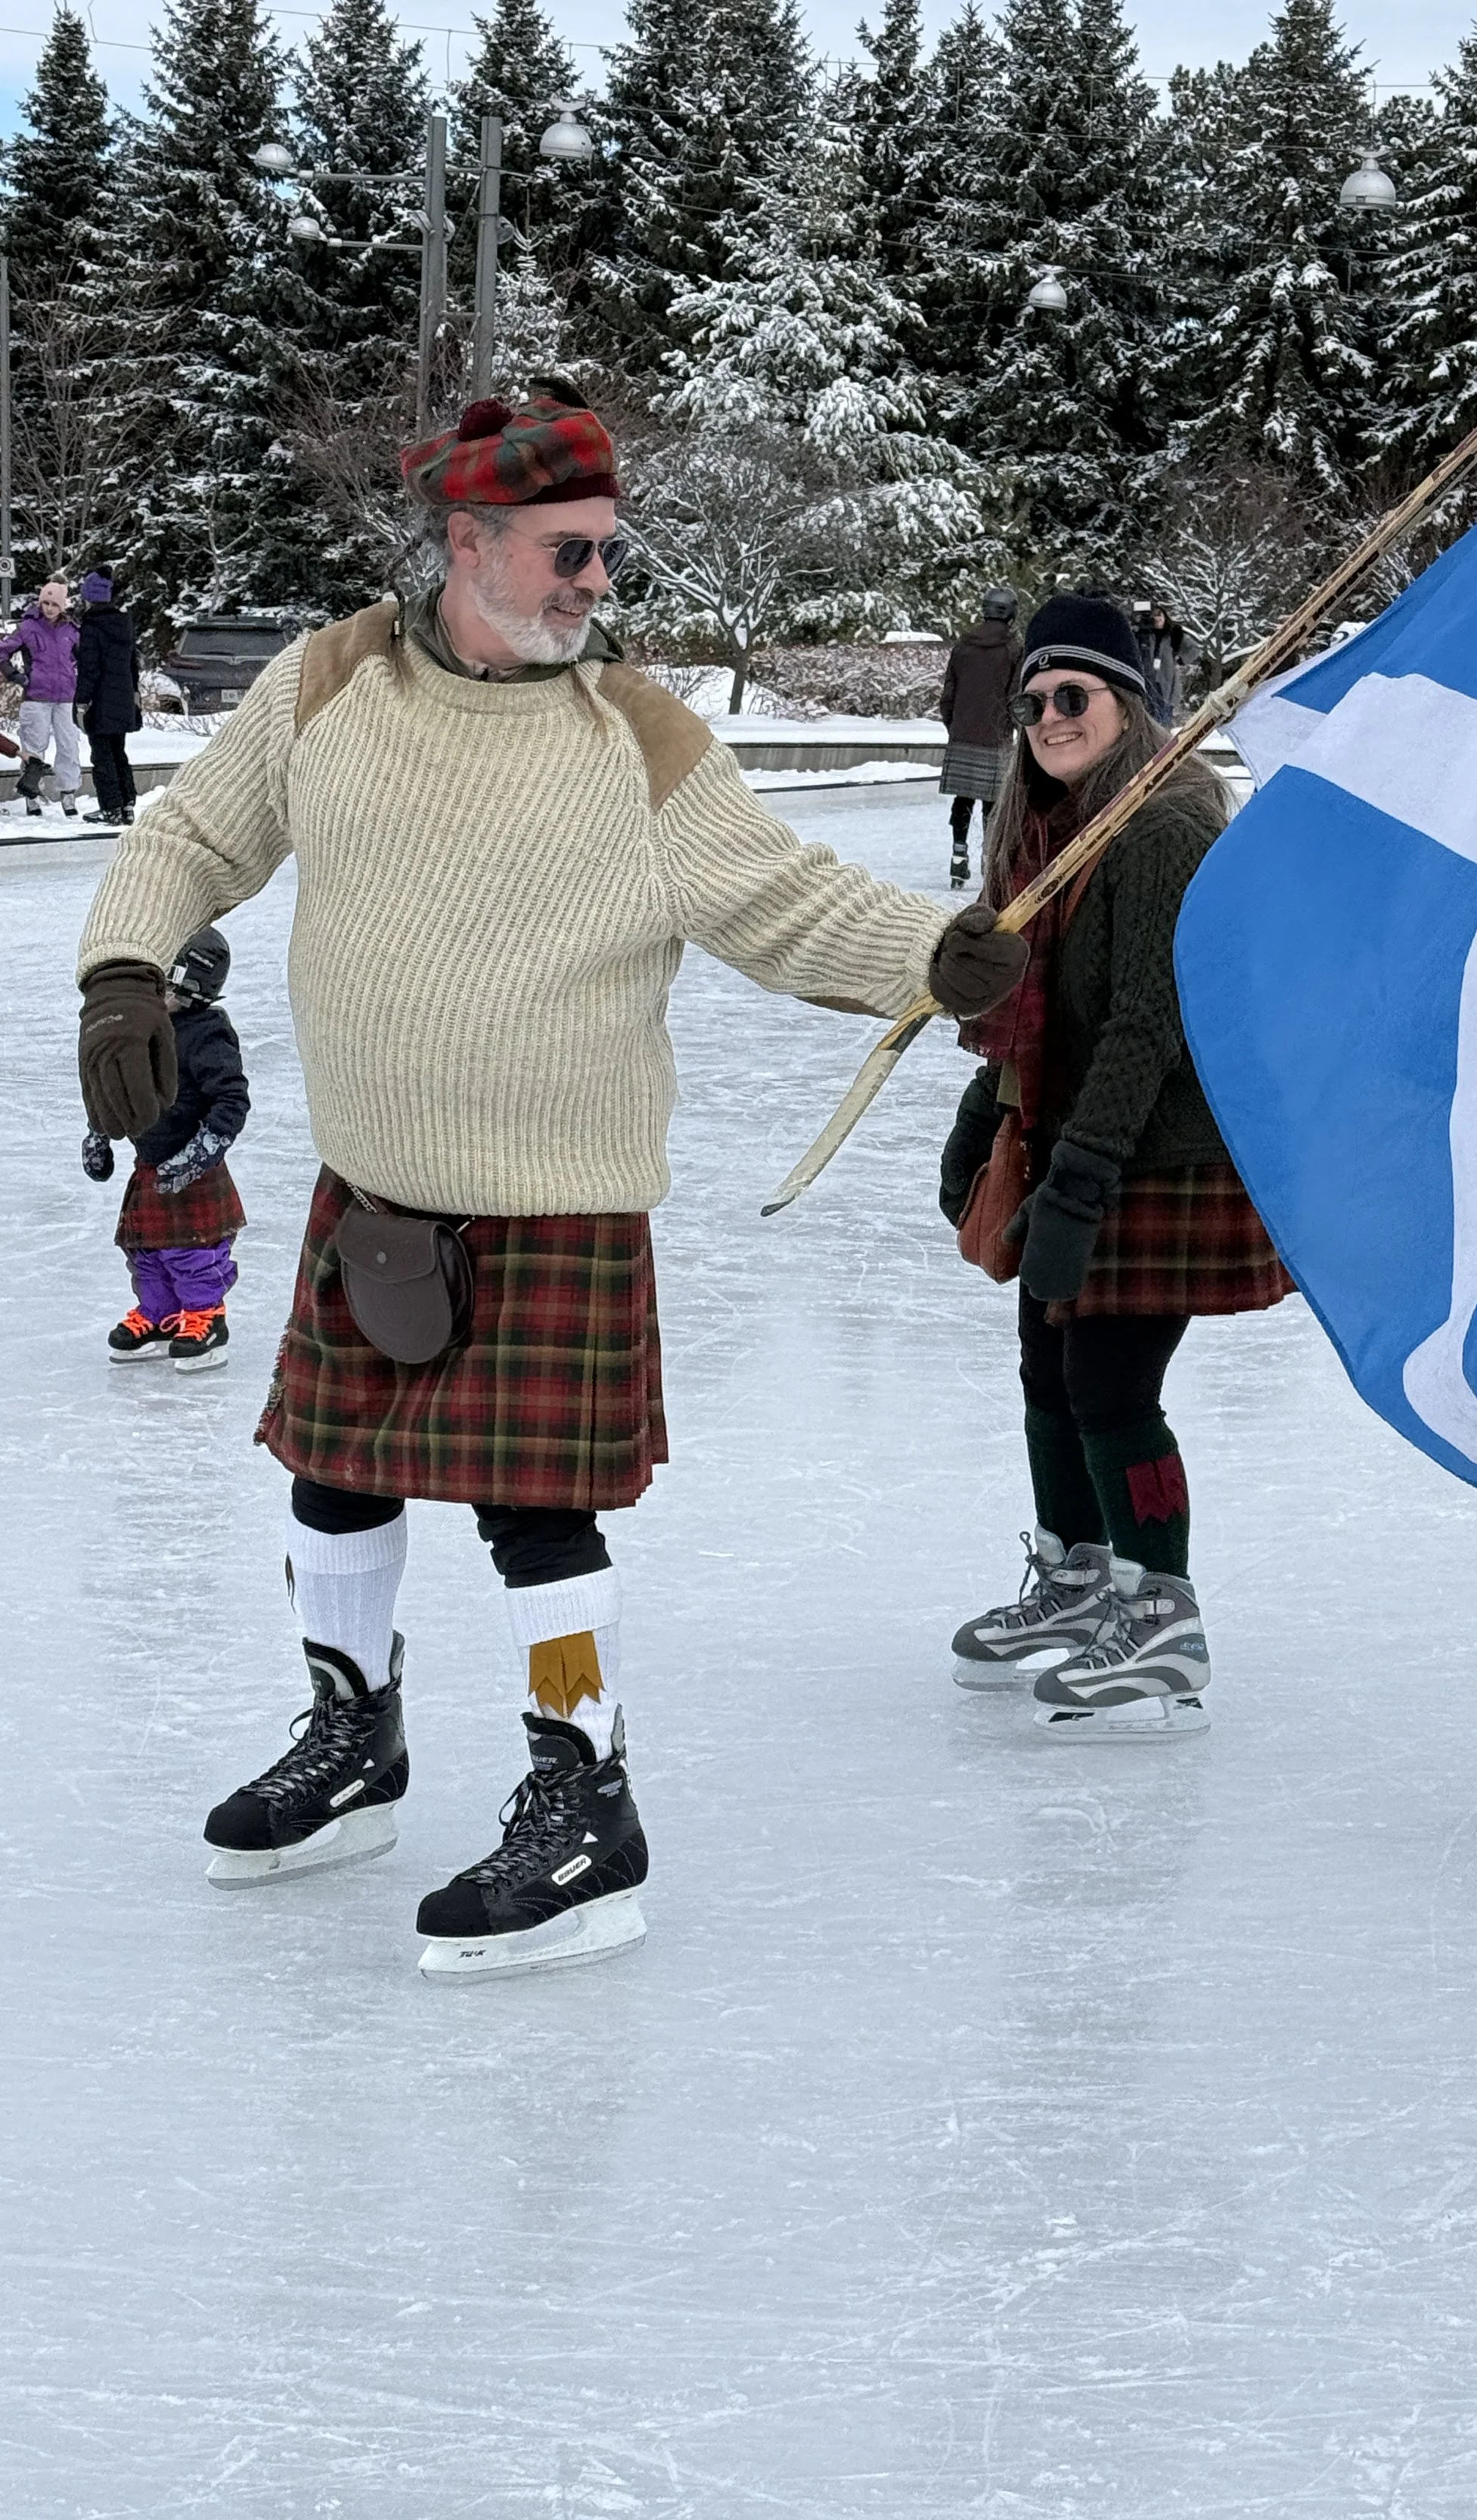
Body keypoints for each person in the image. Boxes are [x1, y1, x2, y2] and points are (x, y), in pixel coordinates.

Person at [75, 381, 1026, 1979]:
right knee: (334, 1478)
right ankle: (352, 1735)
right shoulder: (329, 685)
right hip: (374, 1185)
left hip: (553, 1197)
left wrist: (928, 955)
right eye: (568, 551)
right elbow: (192, 833)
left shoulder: (631, 732)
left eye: (606, 552)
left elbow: (776, 898)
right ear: (468, 542)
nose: (597, 582)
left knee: (538, 1522)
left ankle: (585, 1796)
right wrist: (120, 965)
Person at [939, 592, 1293, 1738]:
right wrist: (980, 1127)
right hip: (1069, 1134)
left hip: (1158, 1151)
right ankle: (1080, 1576)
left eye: (1073, 694)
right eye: (1033, 698)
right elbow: (1035, 1021)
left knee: (1110, 1387)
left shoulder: (1162, 826)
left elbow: (1149, 1022)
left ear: (1129, 703)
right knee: (1050, 1373)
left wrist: (1082, 1179)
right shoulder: (1047, 834)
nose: (1048, 715)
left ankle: (1164, 1611)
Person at [85, 925, 249, 1372]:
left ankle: (206, 1317)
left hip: (193, 1169)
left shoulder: (208, 1034)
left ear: (195, 988)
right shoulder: (147, 1028)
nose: (160, 996)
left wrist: (201, 1152)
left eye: (170, 987)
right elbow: (119, 1087)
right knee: (146, 1251)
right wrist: (100, 1132)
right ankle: (159, 1315)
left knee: (191, 1251)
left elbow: (232, 1099)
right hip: (151, 1164)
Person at [939, 589, 1022, 889]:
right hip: (995, 737)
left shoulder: (963, 645)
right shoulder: (1013, 648)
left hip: (962, 734)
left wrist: (955, 726)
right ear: (1011, 613)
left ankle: (958, 857)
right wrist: (1011, 731)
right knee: (992, 805)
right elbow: (1015, 697)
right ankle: (990, 861)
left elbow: (948, 694)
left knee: (962, 798)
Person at [0, 578, 82, 818]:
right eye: (45, 602)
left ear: (62, 606)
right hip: (36, 697)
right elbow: (2, 652)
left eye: (54, 604)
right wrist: (16, 676)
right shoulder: (28, 627)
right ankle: (31, 795)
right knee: (34, 746)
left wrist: (78, 679)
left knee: (69, 745)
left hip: (66, 697)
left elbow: (84, 657)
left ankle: (68, 793)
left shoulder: (72, 630)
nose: (49, 608)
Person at [74, 570, 141, 829]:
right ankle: (126, 804)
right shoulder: (123, 624)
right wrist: (134, 694)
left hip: (100, 701)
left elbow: (90, 669)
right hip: (122, 698)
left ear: (89, 598)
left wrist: (82, 701)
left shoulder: (92, 627)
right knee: (118, 752)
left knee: (102, 756)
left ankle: (110, 808)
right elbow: (133, 664)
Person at [1137, 603, 1186, 727]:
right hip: (1147, 680)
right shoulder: (1144, 635)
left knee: (1163, 721)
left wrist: (1180, 660)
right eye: (1153, 615)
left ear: (1165, 617)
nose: (1156, 618)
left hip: (1166, 682)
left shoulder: (1174, 634)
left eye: (1159, 615)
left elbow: (1193, 650)